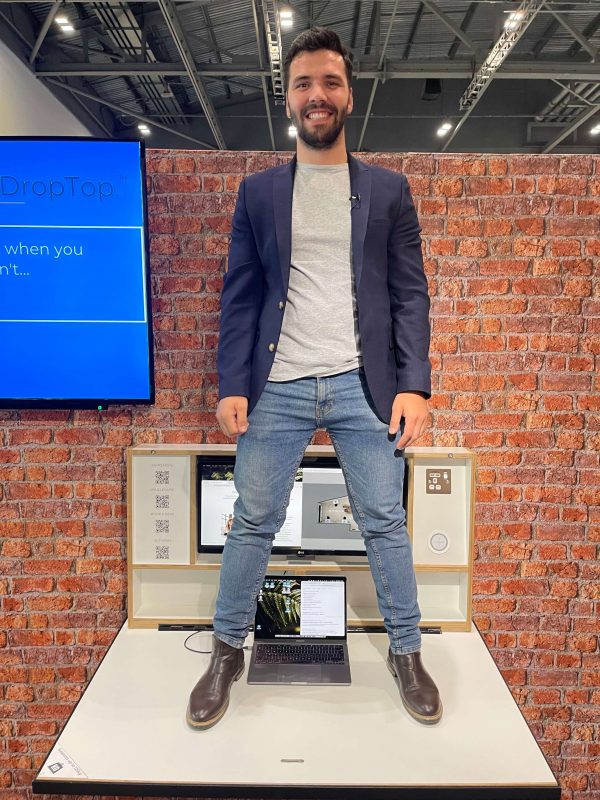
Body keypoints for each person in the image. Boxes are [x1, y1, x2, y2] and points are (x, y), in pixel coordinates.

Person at [187, 26, 442, 730]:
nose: (317, 95)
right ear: (289, 97)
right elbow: (239, 294)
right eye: (304, 84)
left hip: (368, 386)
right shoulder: (259, 192)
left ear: (348, 95)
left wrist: (415, 385)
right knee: (254, 524)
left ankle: (407, 652)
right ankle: (226, 652)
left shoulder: (389, 191)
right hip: (280, 387)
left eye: (329, 82)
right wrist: (231, 383)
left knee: (385, 523)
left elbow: (409, 293)